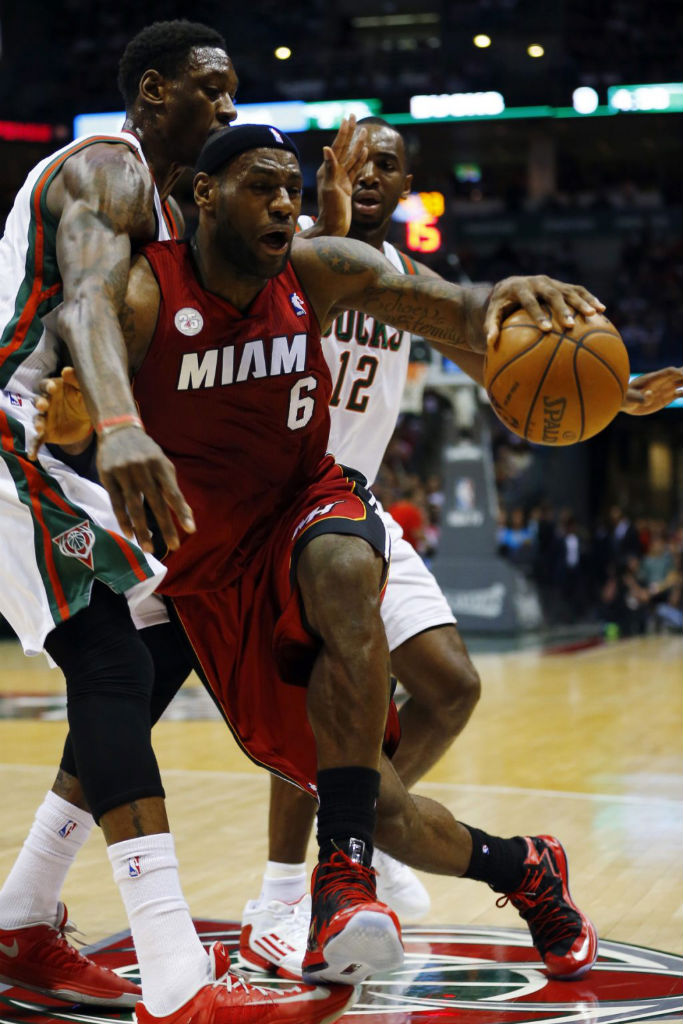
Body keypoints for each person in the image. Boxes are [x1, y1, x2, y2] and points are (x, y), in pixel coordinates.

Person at [33, 123, 613, 992]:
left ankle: (339, 878)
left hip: (311, 500)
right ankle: (524, 867)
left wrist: (504, 298)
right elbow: (79, 361)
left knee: (346, 569)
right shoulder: (148, 295)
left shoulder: (316, 270)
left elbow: (449, 309)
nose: (280, 204)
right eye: (260, 187)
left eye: (289, 191)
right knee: (384, 806)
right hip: (210, 572)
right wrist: (90, 430)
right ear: (202, 196)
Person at [235, 119, 683, 981]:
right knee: (319, 706)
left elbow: (489, 356)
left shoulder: (406, 279)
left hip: (354, 504)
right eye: (357, 155)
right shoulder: (284, 251)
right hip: (284, 510)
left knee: (450, 687)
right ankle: (284, 892)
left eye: (390, 165)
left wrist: (610, 395)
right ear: (331, 165)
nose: (371, 172)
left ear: (407, 190)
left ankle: (369, 827)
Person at [0, 22, 361, 1024]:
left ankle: (23, 916)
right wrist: (118, 425)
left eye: (234, 89)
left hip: (60, 453)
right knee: (114, 670)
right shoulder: (108, 174)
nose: (228, 106)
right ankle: (176, 981)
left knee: (158, 655)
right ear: (153, 94)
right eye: (211, 89)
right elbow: (81, 306)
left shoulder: (174, 212)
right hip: (13, 439)